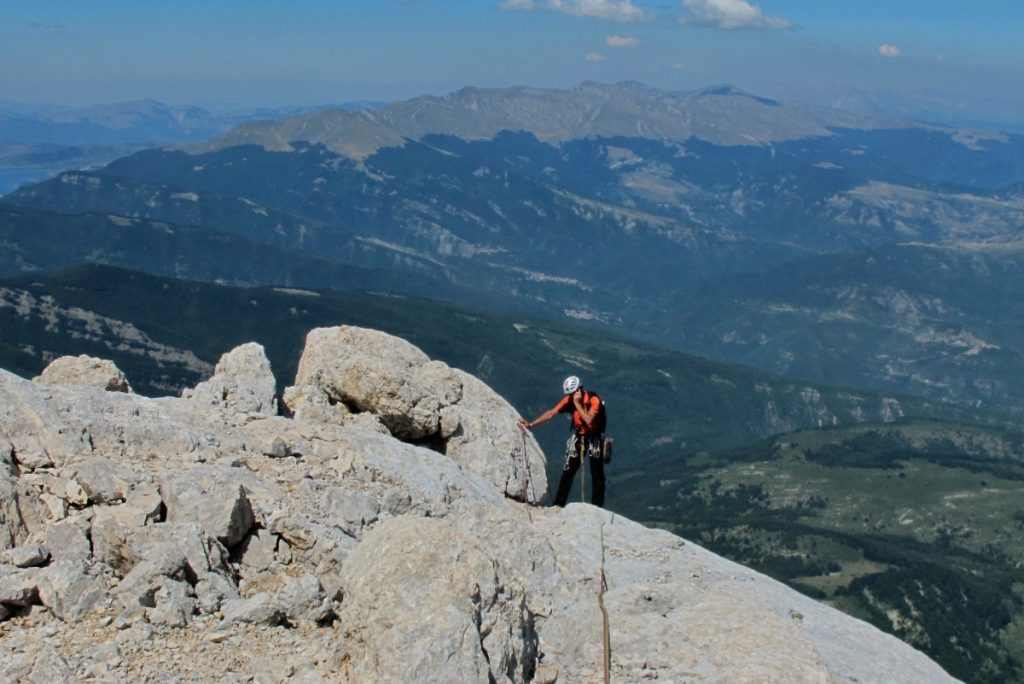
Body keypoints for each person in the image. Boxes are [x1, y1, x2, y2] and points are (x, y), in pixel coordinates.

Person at [518, 375, 606, 508]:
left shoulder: (594, 400)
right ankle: (558, 505)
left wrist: (577, 404)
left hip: (594, 437)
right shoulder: (569, 400)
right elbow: (551, 414)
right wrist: (531, 424)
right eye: (570, 394)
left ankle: (597, 506)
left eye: (573, 393)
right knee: (568, 472)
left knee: (597, 473)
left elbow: (588, 420)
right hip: (579, 437)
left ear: (579, 389)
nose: (571, 396)